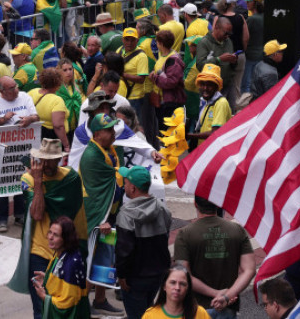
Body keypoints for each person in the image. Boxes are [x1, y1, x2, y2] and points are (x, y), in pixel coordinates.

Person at [21, 138, 86, 319]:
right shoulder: (28, 179)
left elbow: (76, 213)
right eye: (44, 159)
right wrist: (38, 182)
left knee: (66, 305)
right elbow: (37, 214)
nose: (47, 164)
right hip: (40, 253)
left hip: (65, 253)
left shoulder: (71, 178)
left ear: (60, 159)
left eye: (52, 160)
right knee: (41, 308)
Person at [174, 196, 255, 317]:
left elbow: (184, 275)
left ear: (195, 203)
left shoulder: (184, 234)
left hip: (197, 307)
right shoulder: (237, 230)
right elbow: (249, 270)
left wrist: (215, 293)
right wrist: (227, 295)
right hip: (228, 305)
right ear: (218, 203)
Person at [77, 113, 121, 316]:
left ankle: (101, 300)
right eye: (108, 130)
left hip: (108, 214)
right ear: (96, 134)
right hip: (96, 216)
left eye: (113, 128)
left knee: (105, 259)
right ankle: (82, 304)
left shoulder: (108, 149)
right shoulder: (91, 156)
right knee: (91, 259)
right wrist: (101, 220)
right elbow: (96, 192)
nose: (113, 133)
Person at [116, 166, 172, 319]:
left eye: (125, 183)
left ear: (133, 188)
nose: (124, 186)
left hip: (135, 278)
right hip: (158, 275)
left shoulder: (125, 214)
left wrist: (121, 275)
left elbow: (123, 250)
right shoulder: (162, 209)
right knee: (149, 311)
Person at [31, 215, 90, 319]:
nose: (50, 237)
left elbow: (67, 304)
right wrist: (47, 279)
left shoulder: (71, 264)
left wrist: (44, 297)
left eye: (56, 235)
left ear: (66, 239)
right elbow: (61, 285)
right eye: (50, 232)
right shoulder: (59, 254)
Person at [141, 264, 211, 319]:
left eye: (182, 284)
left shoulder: (200, 314)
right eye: (173, 282)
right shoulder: (150, 315)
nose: (177, 288)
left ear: (187, 289)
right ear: (164, 286)